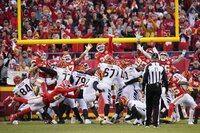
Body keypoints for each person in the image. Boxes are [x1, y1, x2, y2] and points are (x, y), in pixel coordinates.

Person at [142, 53, 168, 128]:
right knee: (156, 106)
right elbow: (165, 80)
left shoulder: (148, 66)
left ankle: (147, 124)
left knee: (148, 105)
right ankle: (156, 124)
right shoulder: (162, 67)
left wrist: (143, 88)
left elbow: (145, 78)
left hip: (149, 86)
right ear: (158, 58)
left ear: (152, 58)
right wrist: (166, 89)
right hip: (158, 86)